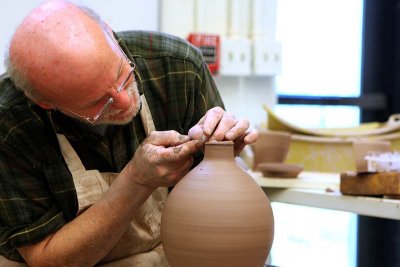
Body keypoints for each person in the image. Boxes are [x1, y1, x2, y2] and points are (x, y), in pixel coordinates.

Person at [0, 0, 258, 266]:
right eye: (97, 103)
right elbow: (47, 259)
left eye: (122, 75)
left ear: (110, 34)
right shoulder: (10, 122)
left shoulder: (178, 66)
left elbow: (224, 194)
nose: (124, 102)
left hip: (171, 256)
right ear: (47, 103)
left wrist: (226, 150)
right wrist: (136, 181)